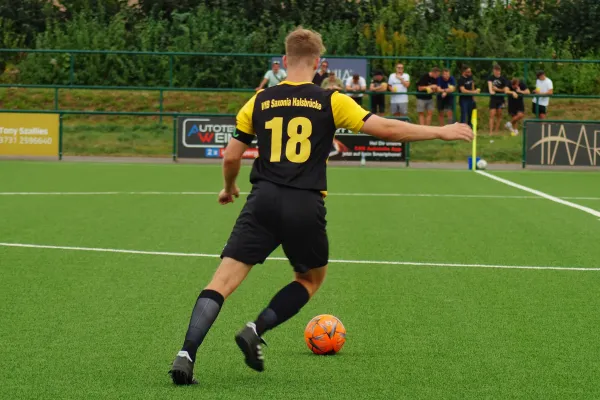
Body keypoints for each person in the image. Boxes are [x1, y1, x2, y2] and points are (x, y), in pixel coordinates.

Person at [168, 26, 473, 386]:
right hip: (304, 203)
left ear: (284, 62)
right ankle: (256, 328)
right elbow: (387, 130)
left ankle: (185, 355)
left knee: (221, 281)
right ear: (318, 63)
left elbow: (232, 154)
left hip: (262, 200)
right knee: (310, 279)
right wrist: (440, 131)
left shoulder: (259, 100)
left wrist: (229, 187)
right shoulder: (331, 99)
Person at [487, 65, 510, 135]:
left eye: (497, 71)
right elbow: (490, 86)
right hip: (493, 99)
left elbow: (505, 90)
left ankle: (496, 131)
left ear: (499, 71)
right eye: (495, 70)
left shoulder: (503, 79)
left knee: (499, 115)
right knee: (492, 114)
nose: (496, 72)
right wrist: (491, 91)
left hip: (500, 100)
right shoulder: (490, 78)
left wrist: (498, 90)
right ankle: (490, 132)